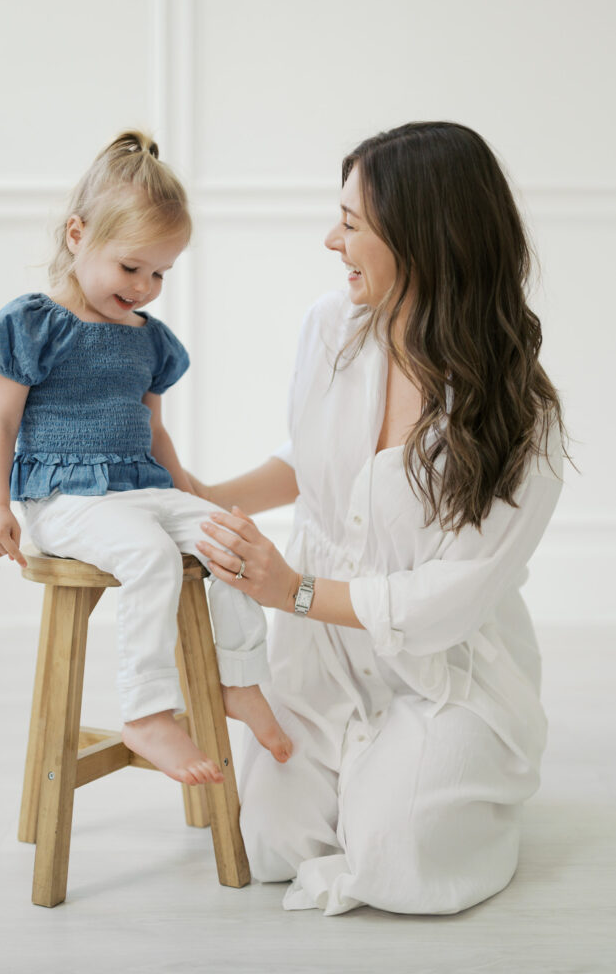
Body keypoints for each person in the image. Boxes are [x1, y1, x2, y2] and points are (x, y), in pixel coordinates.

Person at [188, 121, 571, 915]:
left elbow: (446, 602)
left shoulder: (521, 418)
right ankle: (381, 778)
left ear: (423, 239)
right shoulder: (332, 328)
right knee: (269, 845)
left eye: (352, 224)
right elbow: (310, 464)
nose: (332, 239)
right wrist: (198, 492)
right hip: (322, 659)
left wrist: (288, 589)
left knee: (398, 862)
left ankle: (456, 789)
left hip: (441, 671)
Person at [0, 130, 292, 788]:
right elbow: (0, 420)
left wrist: (191, 491)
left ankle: (239, 680)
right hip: (65, 500)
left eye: (159, 273)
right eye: (131, 267)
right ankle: (146, 710)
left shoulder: (150, 341)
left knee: (227, 537)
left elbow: (154, 429)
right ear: (78, 234)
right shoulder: (35, 324)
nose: (145, 286)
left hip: (138, 488)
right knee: (147, 553)